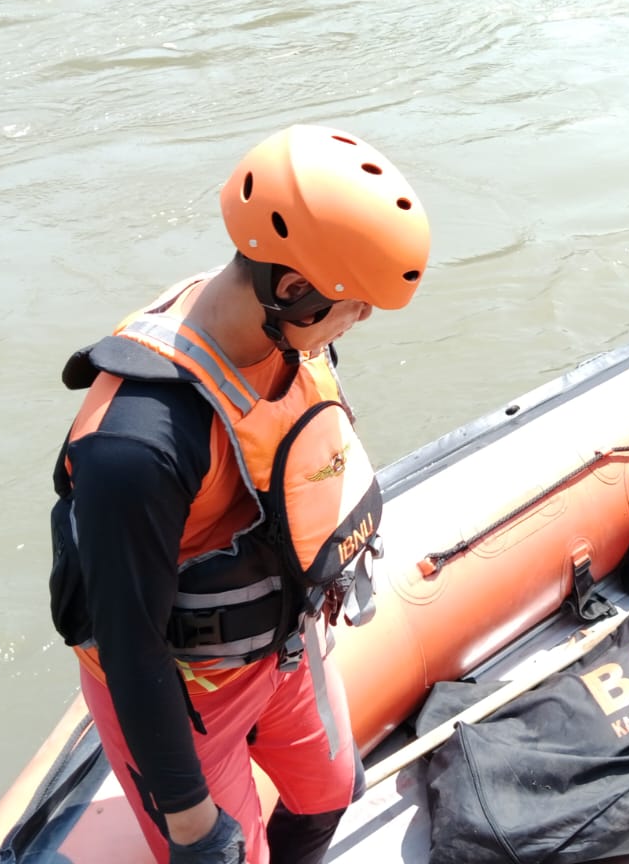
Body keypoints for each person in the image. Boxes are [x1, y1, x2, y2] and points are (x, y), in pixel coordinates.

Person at [47, 125, 430, 864]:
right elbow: (129, 647)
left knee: (328, 794)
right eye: (355, 304)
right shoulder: (137, 446)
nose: (363, 321)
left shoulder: (283, 331)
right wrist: (191, 824)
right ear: (291, 289)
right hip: (185, 697)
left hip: (283, 653)